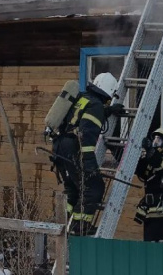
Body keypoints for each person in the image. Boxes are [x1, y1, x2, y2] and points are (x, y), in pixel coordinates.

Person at [50, 72, 122, 236]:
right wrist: (89, 163)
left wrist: (108, 111)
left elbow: (80, 116)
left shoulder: (82, 97)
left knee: (73, 188)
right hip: (73, 149)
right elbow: (86, 134)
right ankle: (80, 225)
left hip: (59, 146)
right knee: (94, 187)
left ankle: (63, 223)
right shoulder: (96, 105)